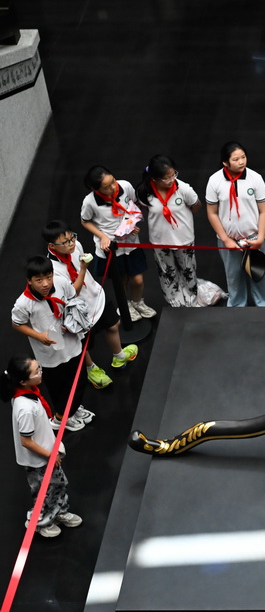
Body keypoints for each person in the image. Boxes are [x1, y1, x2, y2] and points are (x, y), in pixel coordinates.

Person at [42, 220, 138, 388]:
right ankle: (91, 369)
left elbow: (79, 258)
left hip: (95, 295)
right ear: (52, 245)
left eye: (72, 238)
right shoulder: (53, 271)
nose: (72, 243)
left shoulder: (75, 245)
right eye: (65, 242)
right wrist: (84, 268)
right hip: (78, 310)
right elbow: (72, 292)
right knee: (83, 344)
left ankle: (119, 356)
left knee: (113, 324)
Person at [3, 355, 82, 538]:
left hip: (47, 453)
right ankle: (40, 522)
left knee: (59, 484)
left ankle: (59, 512)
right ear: (23, 381)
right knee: (44, 493)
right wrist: (50, 455)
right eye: (37, 371)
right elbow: (26, 441)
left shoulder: (30, 393)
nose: (41, 372)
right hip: (39, 460)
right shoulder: (24, 408)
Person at [10, 257, 93, 431]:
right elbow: (17, 324)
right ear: (29, 281)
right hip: (49, 353)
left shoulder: (62, 283)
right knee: (59, 387)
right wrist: (38, 336)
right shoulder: (23, 303)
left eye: (48, 277)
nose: (46, 284)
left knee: (78, 380)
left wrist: (72, 322)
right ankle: (61, 418)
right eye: (39, 280)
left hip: (71, 343)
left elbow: (72, 300)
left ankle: (72, 410)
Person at [80, 165, 157, 322]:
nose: (113, 187)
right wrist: (102, 236)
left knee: (138, 279)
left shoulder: (125, 186)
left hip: (131, 244)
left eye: (113, 181)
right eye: (107, 187)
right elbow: (85, 221)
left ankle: (138, 302)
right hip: (112, 247)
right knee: (121, 280)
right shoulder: (90, 202)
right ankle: (125, 305)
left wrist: (132, 224)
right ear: (95, 189)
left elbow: (133, 206)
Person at [205, 141, 265, 307]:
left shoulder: (255, 178)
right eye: (236, 159)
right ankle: (236, 307)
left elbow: (264, 211)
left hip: (254, 239)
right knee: (234, 276)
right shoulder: (214, 181)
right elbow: (212, 213)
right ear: (225, 163)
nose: (242, 162)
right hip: (229, 241)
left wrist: (260, 238)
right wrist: (226, 240)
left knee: (259, 275)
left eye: (243, 157)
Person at [136, 155, 201, 307]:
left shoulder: (183, 188)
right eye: (166, 178)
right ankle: (174, 300)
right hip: (160, 241)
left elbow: (196, 205)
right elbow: (143, 208)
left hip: (183, 239)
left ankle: (191, 298)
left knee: (188, 270)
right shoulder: (144, 192)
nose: (172, 180)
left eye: (173, 175)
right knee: (167, 272)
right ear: (154, 178)